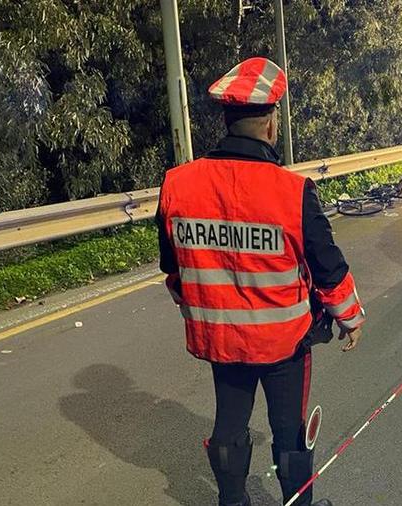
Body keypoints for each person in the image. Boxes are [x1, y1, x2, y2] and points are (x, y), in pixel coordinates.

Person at [156, 57, 365, 506]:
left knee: (229, 424)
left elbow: (173, 268)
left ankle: (232, 502)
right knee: (289, 430)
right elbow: (328, 267)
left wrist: (205, 305)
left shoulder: (177, 184)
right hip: (283, 344)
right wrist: (350, 318)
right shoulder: (292, 191)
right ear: (271, 123)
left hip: (222, 341)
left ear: (227, 121)